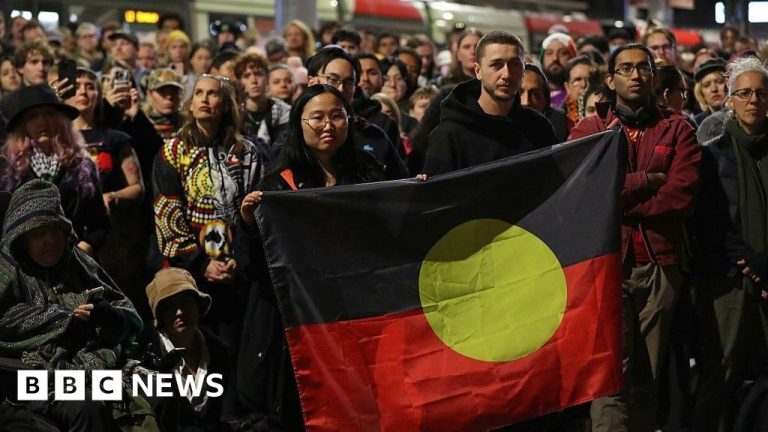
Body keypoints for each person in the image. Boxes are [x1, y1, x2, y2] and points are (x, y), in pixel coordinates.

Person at [568, 43, 701, 432]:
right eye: (625, 69)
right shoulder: (589, 130)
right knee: (609, 373)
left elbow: (682, 194)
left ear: (655, 76)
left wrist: (618, 199)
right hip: (603, 265)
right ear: (610, 80)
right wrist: (645, 181)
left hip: (659, 265)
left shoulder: (678, 129)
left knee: (646, 376)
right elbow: (585, 193)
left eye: (643, 68)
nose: (636, 75)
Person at [236, 84, 384, 430]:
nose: (328, 125)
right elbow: (252, 269)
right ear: (299, 124)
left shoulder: (372, 177)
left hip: (355, 319)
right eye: (316, 117)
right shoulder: (277, 186)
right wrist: (247, 224)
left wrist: (414, 195)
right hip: (299, 326)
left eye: (337, 115)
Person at [152, 74, 260, 424]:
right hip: (190, 275)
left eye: (213, 94)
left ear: (226, 103)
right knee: (192, 350)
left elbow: (259, 212)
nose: (205, 100)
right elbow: (168, 216)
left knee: (231, 353)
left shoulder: (247, 152)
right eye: (198, 93)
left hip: (238, 271)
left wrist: (236, 263)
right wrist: (202, 265)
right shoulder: (173, 151)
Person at [0, 179, 142, 432]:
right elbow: (4, 323)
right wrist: (63, 321)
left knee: (158, 391)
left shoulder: (79, 264)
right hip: (34, 377)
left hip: (98, 364)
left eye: (56, 230)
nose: (50, 240)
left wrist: (110, 316)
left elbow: (127, 315)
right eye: (39, 233)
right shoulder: (8, 270)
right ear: (21, 238)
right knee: (87, 408)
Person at [691, 56, 768, 432]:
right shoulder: (712, 155)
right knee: (722, 373)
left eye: (761, 92)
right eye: (744, 93)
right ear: (730, 101)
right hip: (729, 280)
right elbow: (711, 222)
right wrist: (751, 263)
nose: (754, 99)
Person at [65, 67, 149, 317]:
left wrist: (111, 197)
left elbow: (138, 188)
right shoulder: (58, 140)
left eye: (90, 86)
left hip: (115, 241)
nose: (83, 91)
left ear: (100, 95)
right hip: (70, 236)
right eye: (77, 86)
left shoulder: (115, 138)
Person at [424, 31, 557, 176]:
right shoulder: (449, 135)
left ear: (523, 71)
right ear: (478, 71)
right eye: (496, 65)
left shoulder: (539, 127)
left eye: (514, 64)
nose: (506, 74)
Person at [0, 84, 109, 255]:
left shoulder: (81, 166)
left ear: (60, 120)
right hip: (25, 264)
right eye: (33, 117)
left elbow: (100, 223)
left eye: (49, 114)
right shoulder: (10, 170)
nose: (42, 122)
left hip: (74, 259)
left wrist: (85, 247)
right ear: (23, 125)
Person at [143, 267, 232, 432]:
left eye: (185, 302)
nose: (179, 312)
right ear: (160, 315)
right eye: (170, 306)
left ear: (198, 305)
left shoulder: (219, 352)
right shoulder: (145, 357)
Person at [307, 46, 408, 179]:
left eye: (349, 82)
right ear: (312, 82)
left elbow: (401, 182)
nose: (341, 88)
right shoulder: (292, 132)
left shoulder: (374, 135)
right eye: (332, 79)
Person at [233, 53, 291, 169]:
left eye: (258, 74)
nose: (254, 80)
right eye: (247, 75)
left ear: (267, 78)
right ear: (240, 82)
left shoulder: (284, 111)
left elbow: (284, 151)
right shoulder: (235, 114)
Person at [521, 63, 570, 142]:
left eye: (535, 95)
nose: (526, 102)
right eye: (519, 93)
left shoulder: (562, 124)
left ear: (546, 100)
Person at [143, 68, 184, 141]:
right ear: (149, 95)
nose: (169, 96)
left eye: (174, 91)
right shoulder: (140, 123)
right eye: (162, 91)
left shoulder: (187, 125)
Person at [540, 32, 576, 108]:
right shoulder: (532, 93)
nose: (555, 58)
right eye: (549, 53)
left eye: (563, 53)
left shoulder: (579, 94)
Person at [693, 58, 727, 125]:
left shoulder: (743, 117)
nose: (714, 89)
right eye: (706, 85)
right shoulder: (696, 123)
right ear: (700, 92)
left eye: (719, 82)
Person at [562, 55, 594, 124]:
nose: (584, 84)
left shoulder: (606, 111)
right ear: (567, 87)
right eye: (577, 80)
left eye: (589, 79)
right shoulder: (558, 118)